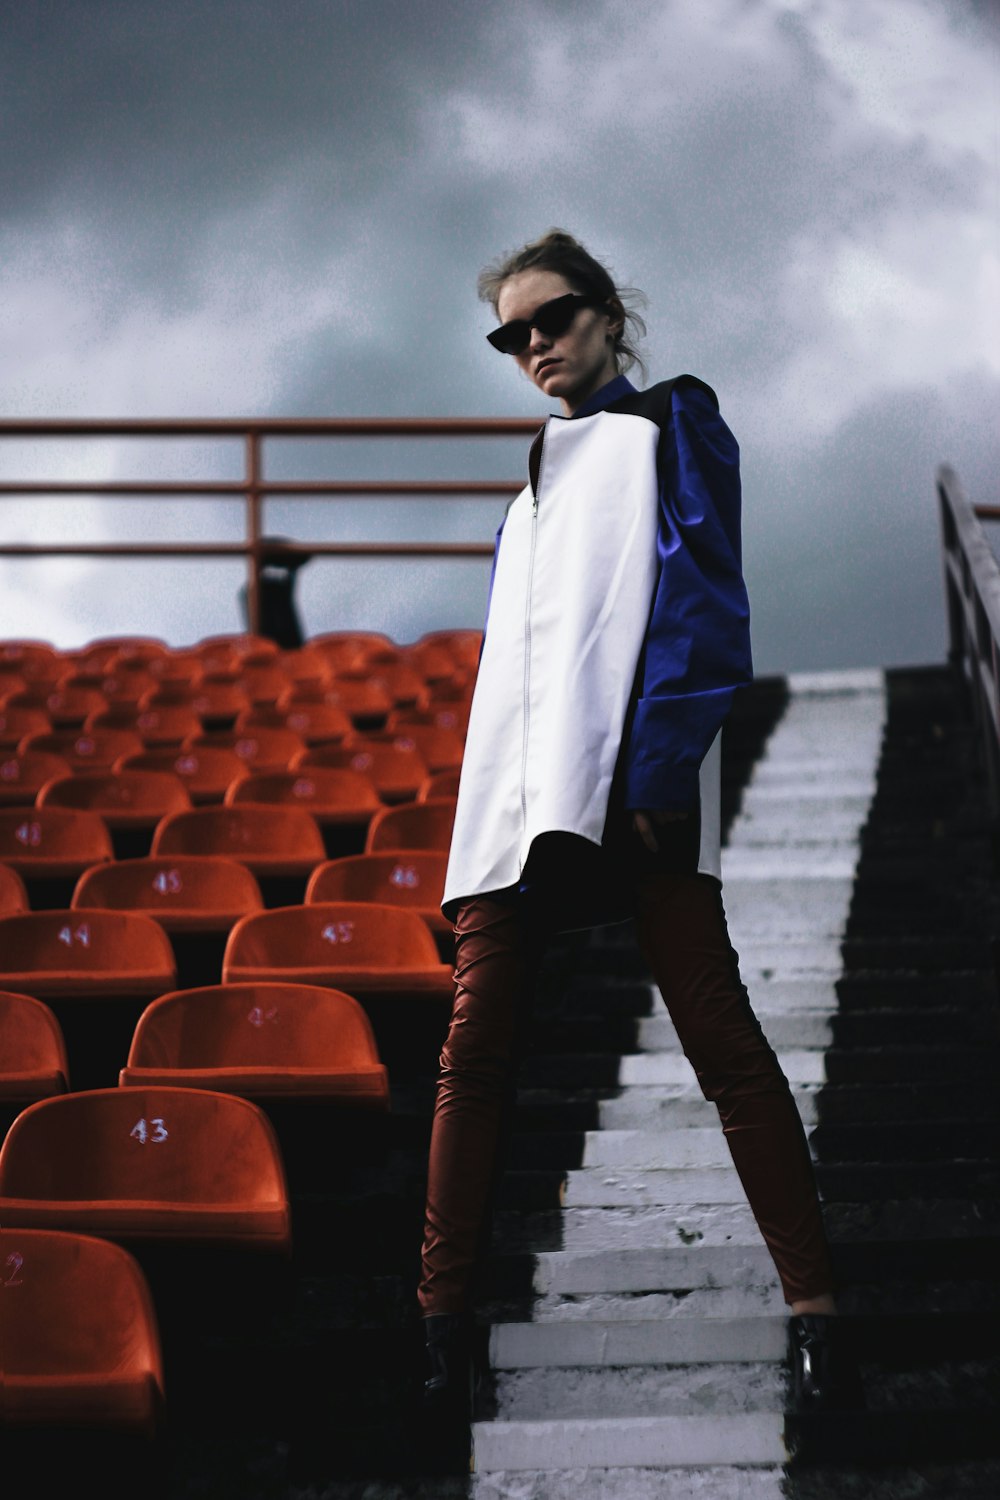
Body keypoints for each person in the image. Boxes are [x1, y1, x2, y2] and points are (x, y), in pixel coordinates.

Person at [415, 229, 863, 1449]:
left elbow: (703, 593)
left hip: (634, 782)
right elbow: (511, 672)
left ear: (609, 315)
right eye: (511, 336)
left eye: (551, 319)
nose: (533, 347)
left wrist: (663, 763)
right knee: (473, 1052)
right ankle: (440, 1332)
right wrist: (476, 835)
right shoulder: (528, 490)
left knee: (718, 1034)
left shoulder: (673, 423)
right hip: (516, 803)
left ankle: (818, 1312)